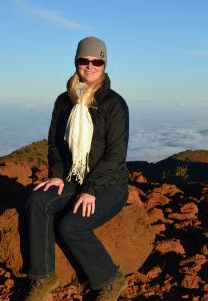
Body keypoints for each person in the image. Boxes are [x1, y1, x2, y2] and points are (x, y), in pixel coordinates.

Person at [24, 36, 130, 301]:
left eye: (97, 61)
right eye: (85, 60)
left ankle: (110, 281)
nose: (90, 66)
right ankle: (43, 277)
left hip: (109, 184)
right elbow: (55, 143)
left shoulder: (114, 104)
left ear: (105, 65)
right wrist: (58, 176)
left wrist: (91, 189)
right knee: (38, 200)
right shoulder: (64, 100)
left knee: (72, 226)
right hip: (73, 178)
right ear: (76, 62)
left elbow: (115, 154)